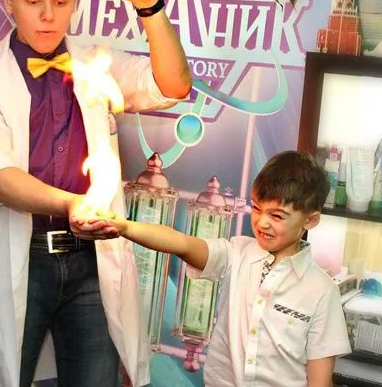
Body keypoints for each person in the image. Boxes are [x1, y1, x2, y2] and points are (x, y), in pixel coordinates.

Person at [0, 0, 191, 387]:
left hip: (92, 261)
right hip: (24, 253)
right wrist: (72, 204)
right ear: (9, 1)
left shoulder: (96, 63)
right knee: (4, 376)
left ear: (74, 2)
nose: (48, 15)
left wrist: (148, 3)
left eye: (60, 2)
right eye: (33, 1)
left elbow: (174, 85)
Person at [80, 151, 351, 387]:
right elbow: (181, 243)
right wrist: (124, 226)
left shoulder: (321, 291)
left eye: (277, 216)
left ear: (310, 220)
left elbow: (320, 380)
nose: (262, 223)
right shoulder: (236, 253)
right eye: (257, 209)